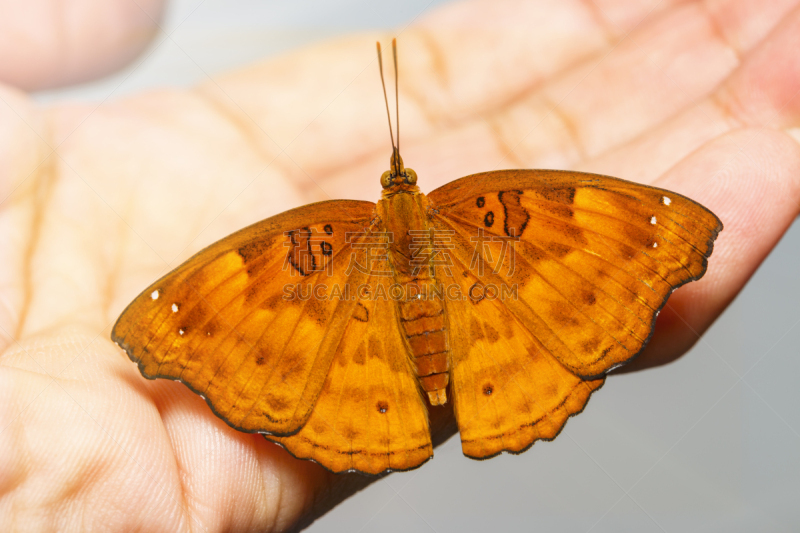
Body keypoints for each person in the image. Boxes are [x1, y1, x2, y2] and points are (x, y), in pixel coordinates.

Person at [1, 0, 798, 530]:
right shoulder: (503, 207)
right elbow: (193, 312)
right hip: (485, 343)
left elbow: (644, 235)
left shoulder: (308, 242)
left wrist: (652, 234)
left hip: (365, 370)